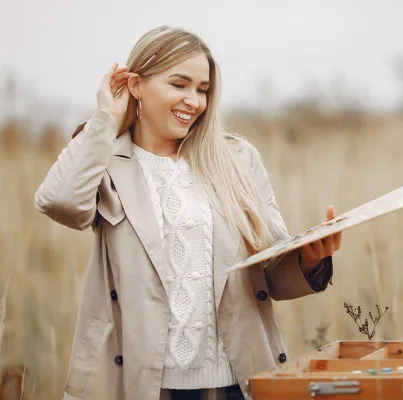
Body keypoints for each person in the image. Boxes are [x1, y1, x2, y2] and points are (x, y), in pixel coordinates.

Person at [34, 25, 341, 400]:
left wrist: (310, 259)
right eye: (179, 85)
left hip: (235, 382)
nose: (193, 101)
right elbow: (59, 201)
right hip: (140, 384)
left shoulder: (237, 159)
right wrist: (106, 121)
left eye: (202, 89)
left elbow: (270, 272)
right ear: (136, 85)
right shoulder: (107, 160)